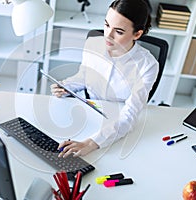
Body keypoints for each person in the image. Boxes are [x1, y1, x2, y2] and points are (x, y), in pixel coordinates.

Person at [51, 0, 158, 157]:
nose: (108, 35)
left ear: (137, 34)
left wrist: (92, 143)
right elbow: (84, 76)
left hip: (117, 125)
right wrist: (66, 86)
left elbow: (130, 115)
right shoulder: (93, 43)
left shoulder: (147, 66)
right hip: (89, 113)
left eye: (119, 32)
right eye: (107, 25)